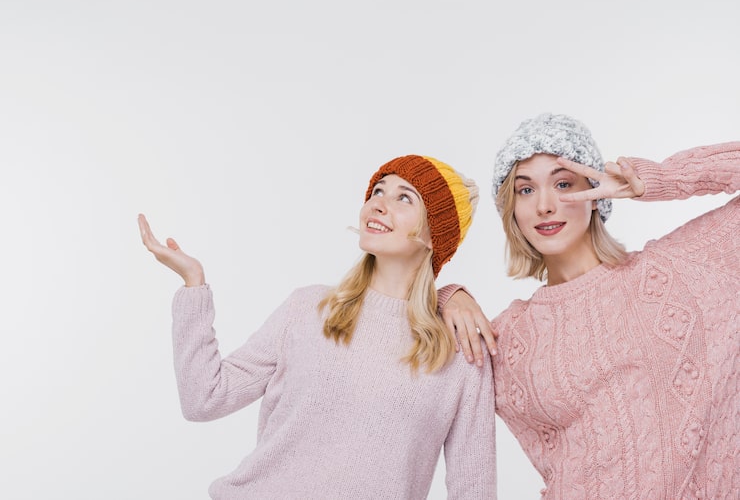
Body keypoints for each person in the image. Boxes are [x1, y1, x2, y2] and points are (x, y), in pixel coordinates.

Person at [138, 154, 497, 500]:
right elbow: (204, 399)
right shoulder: (308, 308)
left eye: (404, 198)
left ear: (435, 236)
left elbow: (474, 489)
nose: (379, 204)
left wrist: (449, 294)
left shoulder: (462, 350)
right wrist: (194, 284)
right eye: (377, 191)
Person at [441, 113, 739, 499]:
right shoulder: (510, 336)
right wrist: (447, 297)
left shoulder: (672, 271)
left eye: (563, 184)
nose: (544, 205)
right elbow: (404, 357)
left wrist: (658, 179)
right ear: (511, 209)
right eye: (525, 190)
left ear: (595, 193)